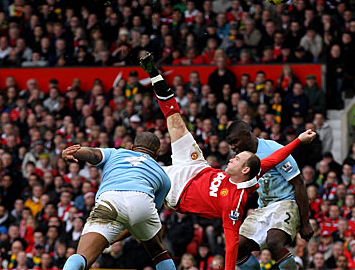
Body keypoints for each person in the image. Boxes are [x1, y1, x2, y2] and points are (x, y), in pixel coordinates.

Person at [138, 52, 316, 270]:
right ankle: (155, 75)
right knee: (175, 122)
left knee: (273, 242)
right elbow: (274, 160)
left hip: (177, 188)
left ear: (245, 168)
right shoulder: (250, 170)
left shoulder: (232, 202)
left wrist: (305, 221)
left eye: (236, 150)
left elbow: (230, 245)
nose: (232, 152)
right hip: (196, 167)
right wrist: (298, 140)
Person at [60, 132, 175, 270]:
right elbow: (140, 219)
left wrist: (75, 152)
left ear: (132, 148)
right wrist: (115, 237)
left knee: (82, 256)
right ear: (157, 153)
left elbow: (92, 153)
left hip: (110, 200)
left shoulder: (116, 153)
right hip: (142, 201)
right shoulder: (164, 177)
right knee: (158, 252)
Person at [225, 122, 314, 270]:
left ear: (247, 135)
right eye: (230, 143)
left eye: (235, 142)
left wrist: (305, 222)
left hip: (286, 203)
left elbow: (299, 183)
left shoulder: (273, 150)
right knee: (236, 249)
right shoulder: (240, 159)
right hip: (264, 207)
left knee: (273, 241)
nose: (233, 147)